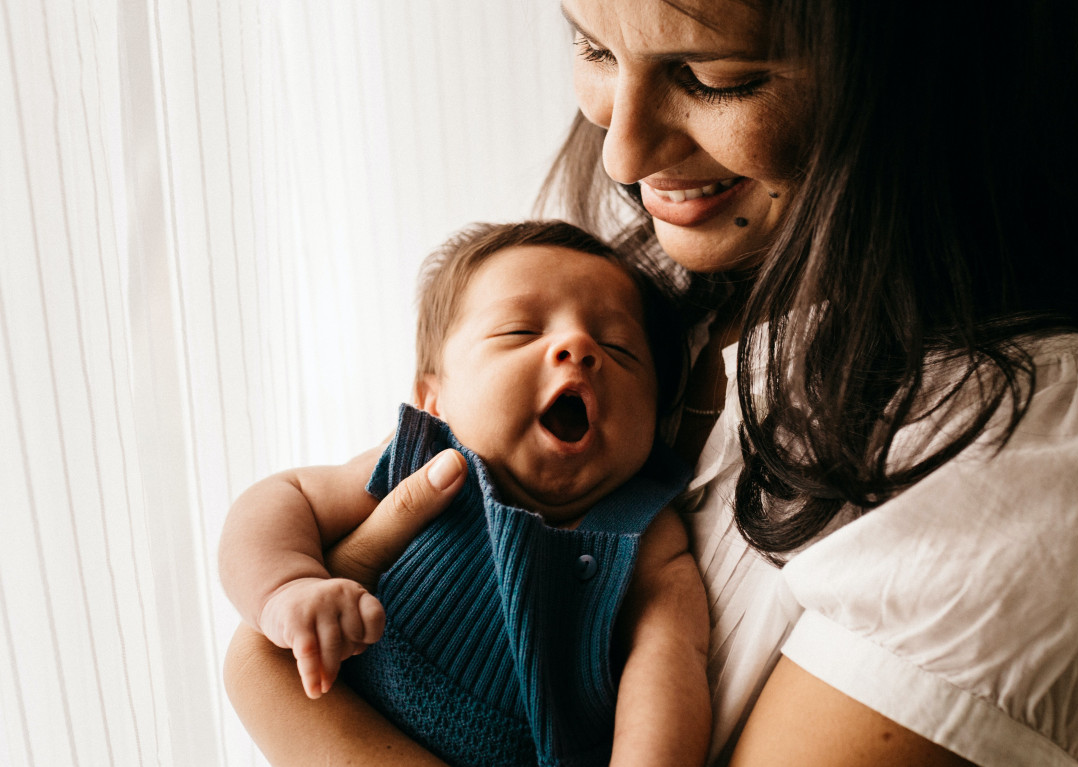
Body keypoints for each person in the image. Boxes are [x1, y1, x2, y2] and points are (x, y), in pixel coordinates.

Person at [223, 1, 1078, 765]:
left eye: (716, 76)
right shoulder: (664, 288)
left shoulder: (1024, 420)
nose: (623, 152)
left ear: (924, 81)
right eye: (592, 44)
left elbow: (289, 677)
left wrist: (277, 687)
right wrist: (283, 604)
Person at [218, 221, 710, 767]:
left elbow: (669, 662)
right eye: (520, 331)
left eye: (620, 348)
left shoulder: (645, 532)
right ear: (434, 399)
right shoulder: (420, 461)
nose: (578, 346)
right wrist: (288, 586)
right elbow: (283, 498)